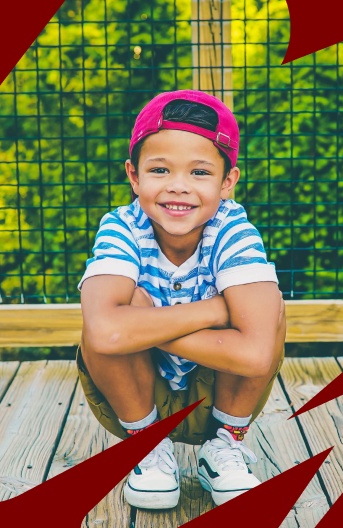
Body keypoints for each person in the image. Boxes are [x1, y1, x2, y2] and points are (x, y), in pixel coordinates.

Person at [77, 89, 286, 509]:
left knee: (268, 305)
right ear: (134, 177)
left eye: (199, 172)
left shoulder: (233, 230)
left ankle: (226, 447)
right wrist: (212, 310)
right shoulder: (121, 227)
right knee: (118, 305)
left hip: (217, 389)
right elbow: (102, 334)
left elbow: (256, 356)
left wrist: (138, 327)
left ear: (228, 182)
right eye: (159, 169)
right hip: (137, 393)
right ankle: (146, 448)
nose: (178, 187)